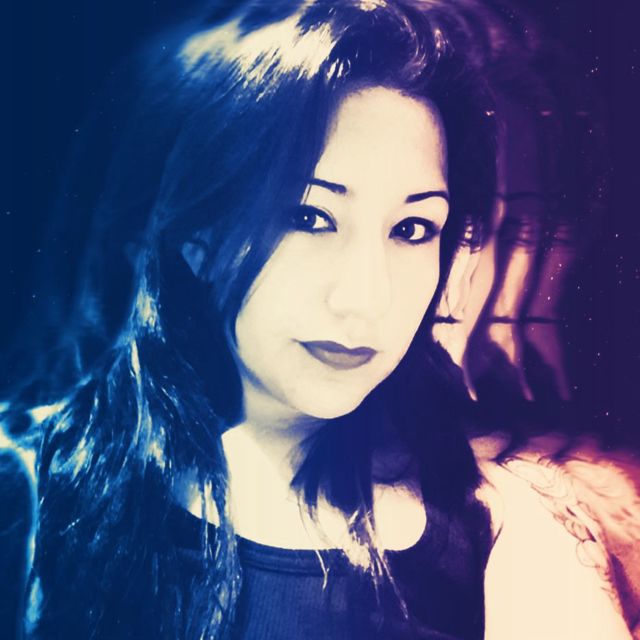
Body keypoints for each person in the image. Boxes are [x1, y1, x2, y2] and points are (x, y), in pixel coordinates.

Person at [6, 1, 635, 639]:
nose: (365, 299)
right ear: (200, 233)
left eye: (413, 229)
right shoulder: (34, 493)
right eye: (308, 217)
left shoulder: (506, 527)